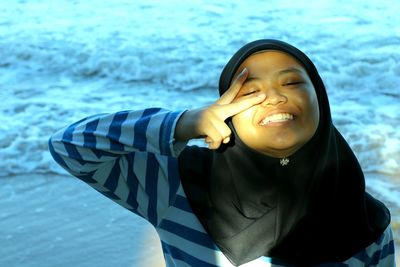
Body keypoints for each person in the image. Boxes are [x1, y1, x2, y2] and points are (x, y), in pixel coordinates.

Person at [49, 39, 396, 266]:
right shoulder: (176, 184)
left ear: (320, 98)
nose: (273, 97)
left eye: (291, 82)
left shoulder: (365, 218)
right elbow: (70, 145)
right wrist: (182, 123)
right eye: (250, 90)